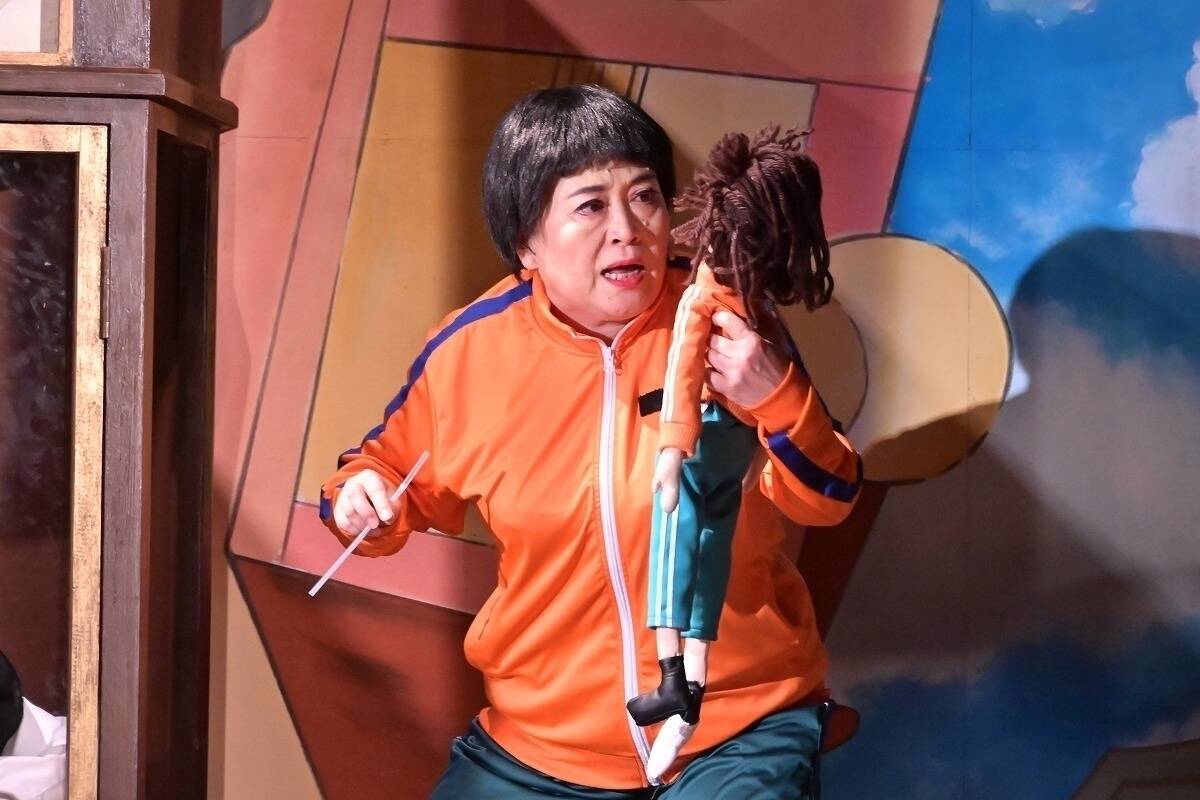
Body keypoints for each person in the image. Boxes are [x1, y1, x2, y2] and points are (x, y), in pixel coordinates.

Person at [319, 83, 862, 798]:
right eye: (590, 205)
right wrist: (360, 496)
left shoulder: (725, 317)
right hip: (542, 746)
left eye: (645, 197)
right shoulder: (466, 352)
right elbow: (383, 476)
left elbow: (829, 495)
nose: (627, 230)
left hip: (737, 724)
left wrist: (774, 393)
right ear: (526, 243)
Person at [626, 125, 839, 780]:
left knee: (683, 542)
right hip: (720, 454)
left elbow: (831, 492)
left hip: (715, 453)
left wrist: (768, 397)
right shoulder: (731, 302)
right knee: (696, 551)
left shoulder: (736, 309)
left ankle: (678, 683)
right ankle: (683, 691)